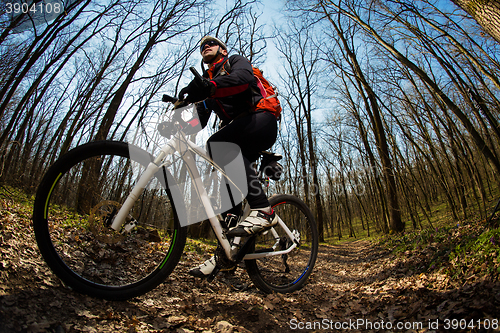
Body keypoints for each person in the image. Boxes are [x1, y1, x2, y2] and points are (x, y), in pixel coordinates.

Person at [178, 36, 279, 278]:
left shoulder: (235, 62)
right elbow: (198, 121)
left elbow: (244, 81)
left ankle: (263, 210)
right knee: (228, 200)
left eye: (211, 43)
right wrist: (177, 124)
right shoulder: (209, 87)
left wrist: (211, 87)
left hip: (262, 120)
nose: (205, 47)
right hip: (242, 133)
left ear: (222, 49)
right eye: (202, 46)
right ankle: (226, 255)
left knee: (217, 143)